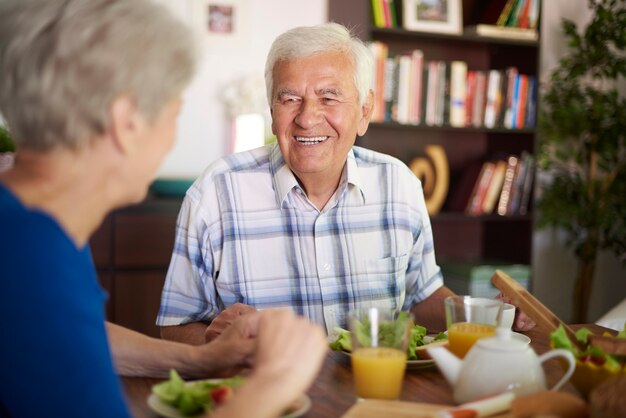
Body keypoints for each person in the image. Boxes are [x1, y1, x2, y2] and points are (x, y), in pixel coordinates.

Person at [0, 1, 327, 417]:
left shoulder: (31, 226)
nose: (173, 135)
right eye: (175, 112)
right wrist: (274, 383)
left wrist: (202, 360)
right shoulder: (29, 257)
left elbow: (69, 336)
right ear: (127, 123)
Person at [157, 22, 536, 345]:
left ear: (364, 112)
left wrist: (488, 320)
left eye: (329, 97)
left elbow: (421, 297)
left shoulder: (399, 185)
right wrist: (214, 339)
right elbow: (176, 325)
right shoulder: (216, 192)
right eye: (290, 98)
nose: (307, 118)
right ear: (272, 112)